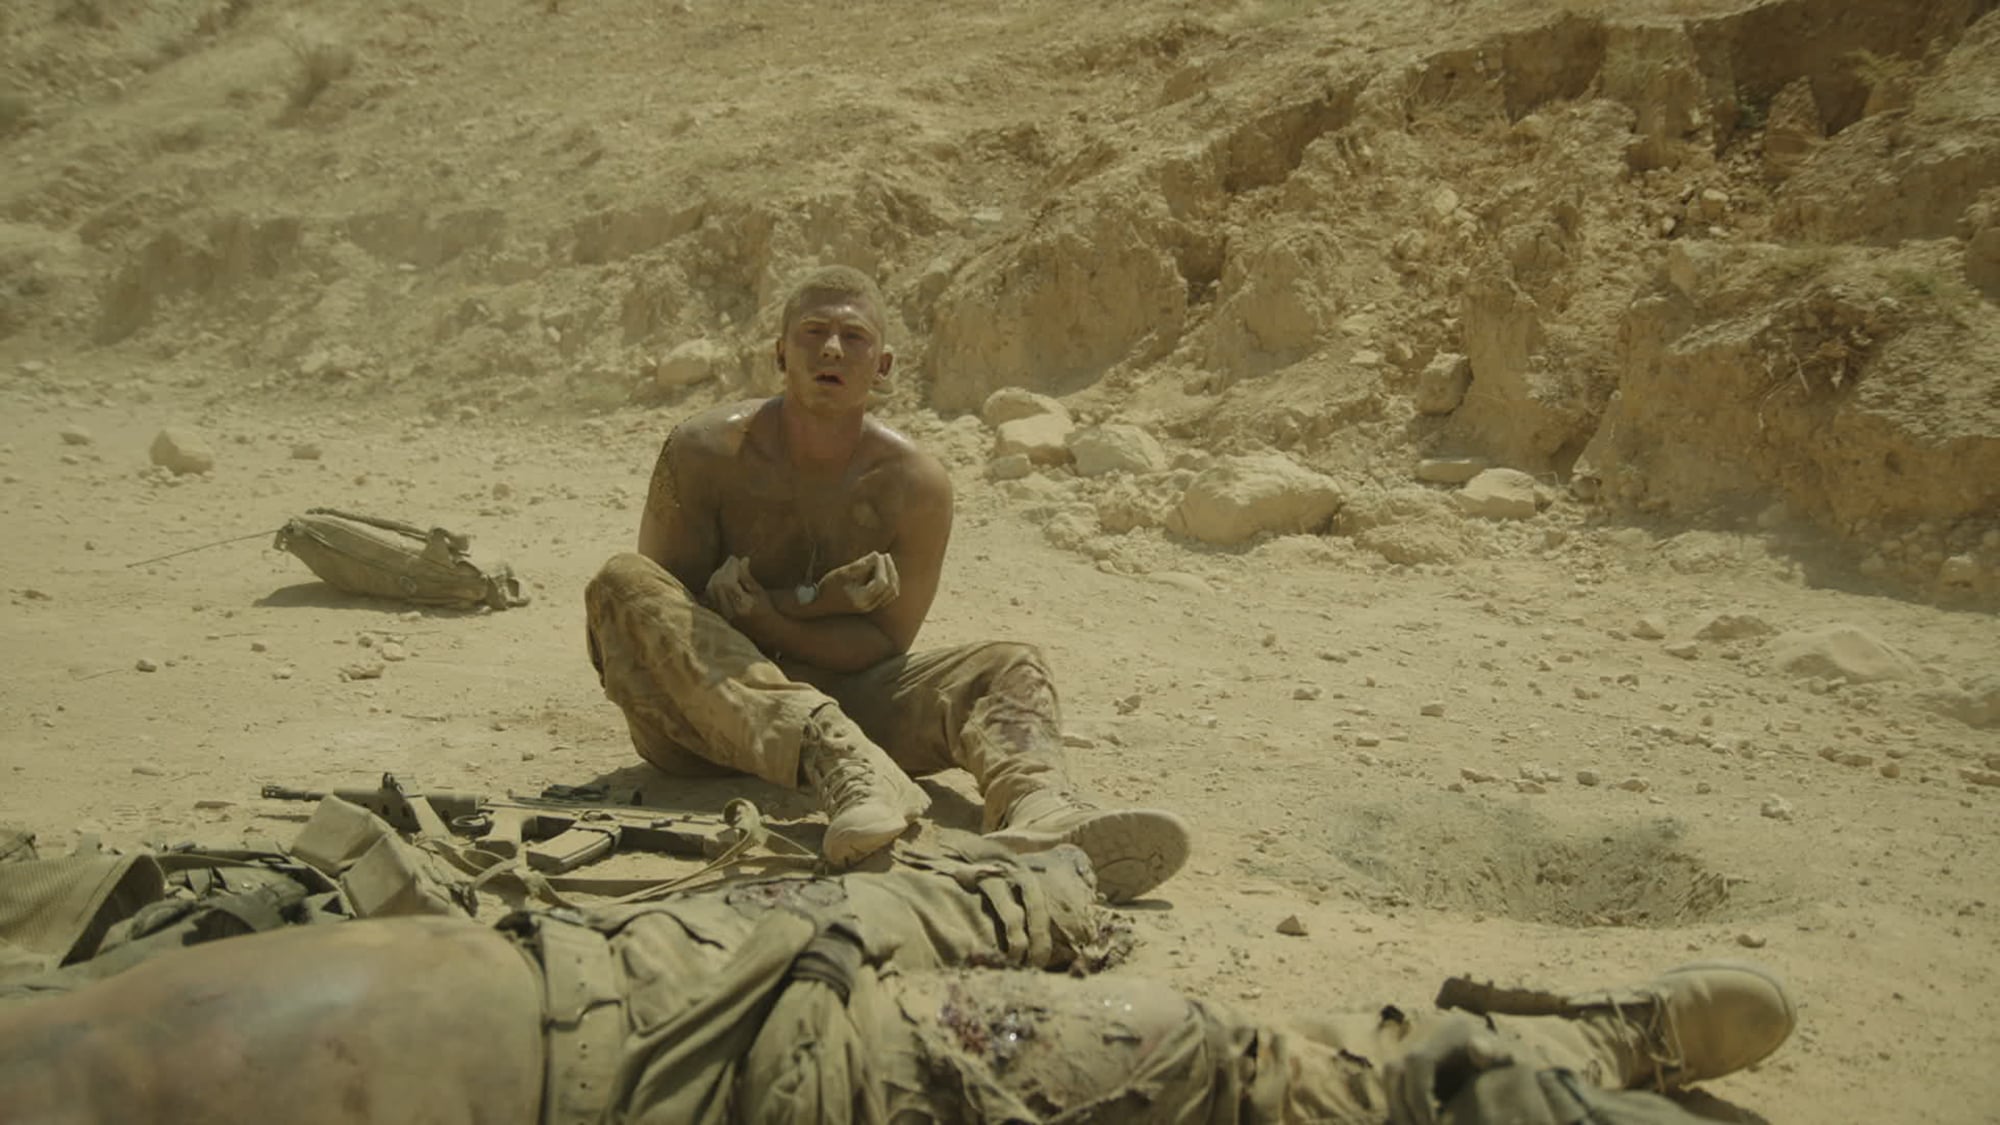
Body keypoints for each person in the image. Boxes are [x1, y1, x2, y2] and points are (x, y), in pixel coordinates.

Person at [0, 838, 1797, 1125]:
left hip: (606, 953)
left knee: (901, 898)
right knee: (1206, 1061)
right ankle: (1570, 1063)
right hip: (723, 1080)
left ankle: (1041, 881)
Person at [584, 265, 1191, 902]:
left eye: (853, 337)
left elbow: (881, 645)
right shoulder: (701, 451)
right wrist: (809, 606)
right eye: (813, 332)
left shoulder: (913, 484)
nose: (831, 349)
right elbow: (665, 629)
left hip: (851, 708)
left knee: (1007, 666)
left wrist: (781, 616)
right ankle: (836, 758)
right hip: (703, 725)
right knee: (620, 582)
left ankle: (1042, 808)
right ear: (780, 353)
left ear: (884, 365)